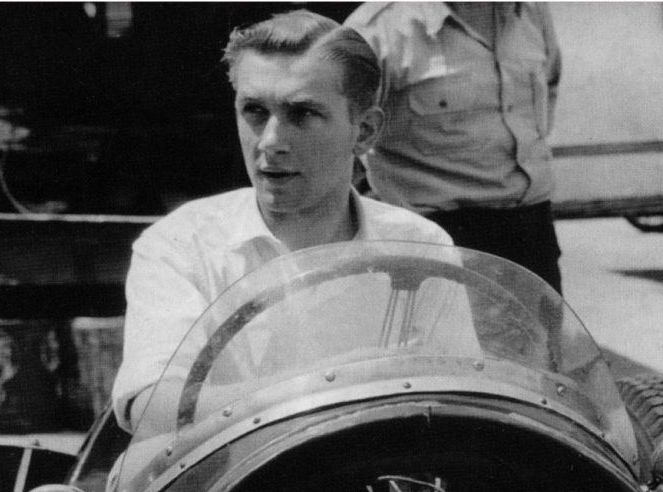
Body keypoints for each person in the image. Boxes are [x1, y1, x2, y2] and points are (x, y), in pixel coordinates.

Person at [110, 10, 453, 432]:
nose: (271, 141)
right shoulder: (182, 244)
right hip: (229, 474)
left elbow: (459, 396)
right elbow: (152, 407)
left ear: (365, 131)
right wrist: (338, 384)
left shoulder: (420, 245)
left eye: (302, 114)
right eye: (254, 111)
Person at [344, 2, 565, 293]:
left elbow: (549, 84)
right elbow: (339, 137)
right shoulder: (379, 29)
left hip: (534, 234)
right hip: (436, 240)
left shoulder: (530, 11)